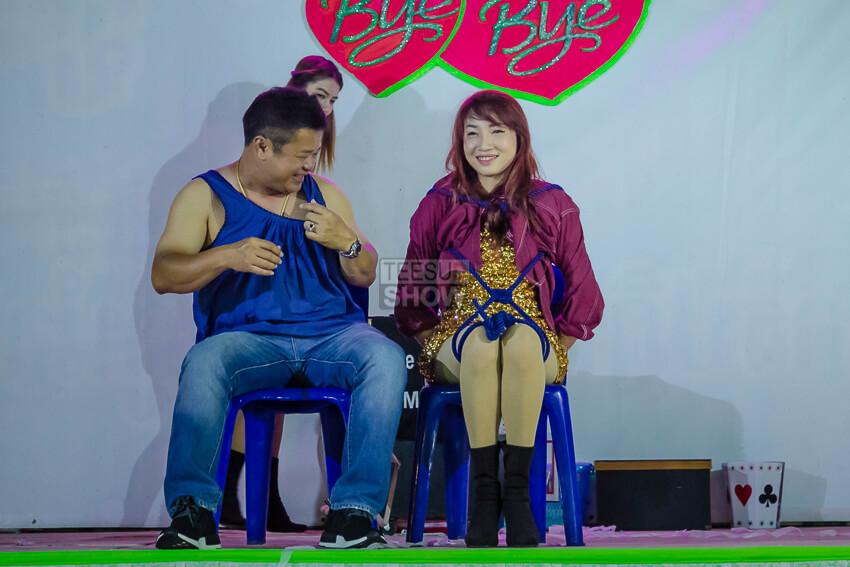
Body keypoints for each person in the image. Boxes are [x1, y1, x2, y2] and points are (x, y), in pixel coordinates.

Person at [152, 87, 406, 550]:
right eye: (302, 156)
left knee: (384, 357)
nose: (310, 165)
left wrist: (347, 242)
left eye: (314, 155)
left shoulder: (325, 195)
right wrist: (227, 255)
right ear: (262, 146)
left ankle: (354, 513)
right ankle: (193, 513)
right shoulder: (205, 195)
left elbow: (365, 271)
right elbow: (164, 274)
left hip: (332, 337)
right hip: (248, 341)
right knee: (204, 361)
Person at [394, 91, 604, 547]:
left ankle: (518, 494)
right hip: (457, 340)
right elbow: (411, 293)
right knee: (480, 345)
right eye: (472, 134)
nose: (483, 145)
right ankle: (484, 494)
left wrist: (556, 345)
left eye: (496, 131)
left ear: (519, 138)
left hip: (534, 341)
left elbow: (585, 293)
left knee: (523, 342)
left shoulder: (553, 202)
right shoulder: (438, 202)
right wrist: (434, 343)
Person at [221, 55, 344, 533]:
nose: (326, 109)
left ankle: (260, 497)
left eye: (333, 101)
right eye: (320, 96)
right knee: (254, 398)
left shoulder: (317, 181)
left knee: (275, 408)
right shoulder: (245, 175)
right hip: (253, 308)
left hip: (306, 309)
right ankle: (233, 494)